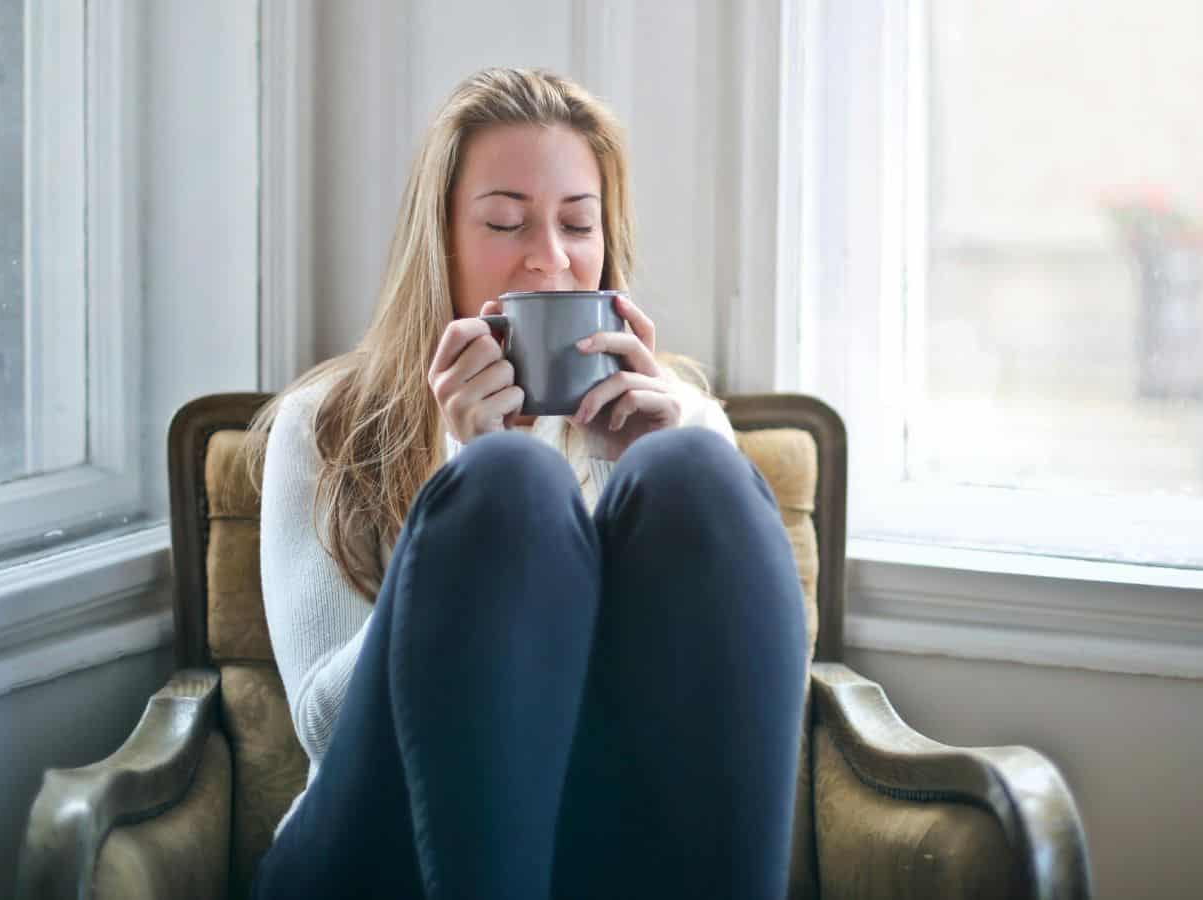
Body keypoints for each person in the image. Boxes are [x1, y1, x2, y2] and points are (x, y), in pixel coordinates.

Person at [242, 67, 808, 900]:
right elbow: (324, 726)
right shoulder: (325, 422)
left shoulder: (680, 419)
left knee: (691, 468)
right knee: (509, 482)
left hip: (603, 844)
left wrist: (628, 473)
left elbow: (744, 715)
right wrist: (462, 474)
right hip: (374, 845)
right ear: (439, 241)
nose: (550, 261)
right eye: (506, 223)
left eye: (579, 225)